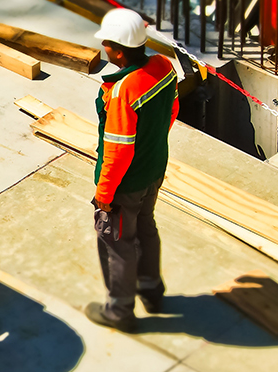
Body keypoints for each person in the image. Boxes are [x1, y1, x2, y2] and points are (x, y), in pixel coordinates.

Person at [85, 9, 180, 332]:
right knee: (146, 228)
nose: (105, 50)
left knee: (116, 241)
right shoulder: (164, 68)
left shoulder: (124, 88)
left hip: (127, 183)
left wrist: (104, 193)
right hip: (154, 171)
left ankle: (120, 311)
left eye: (107, 45)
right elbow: (172, 110)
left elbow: (118, 149)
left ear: (119, 50)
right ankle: (152, 291)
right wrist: (153, 150)